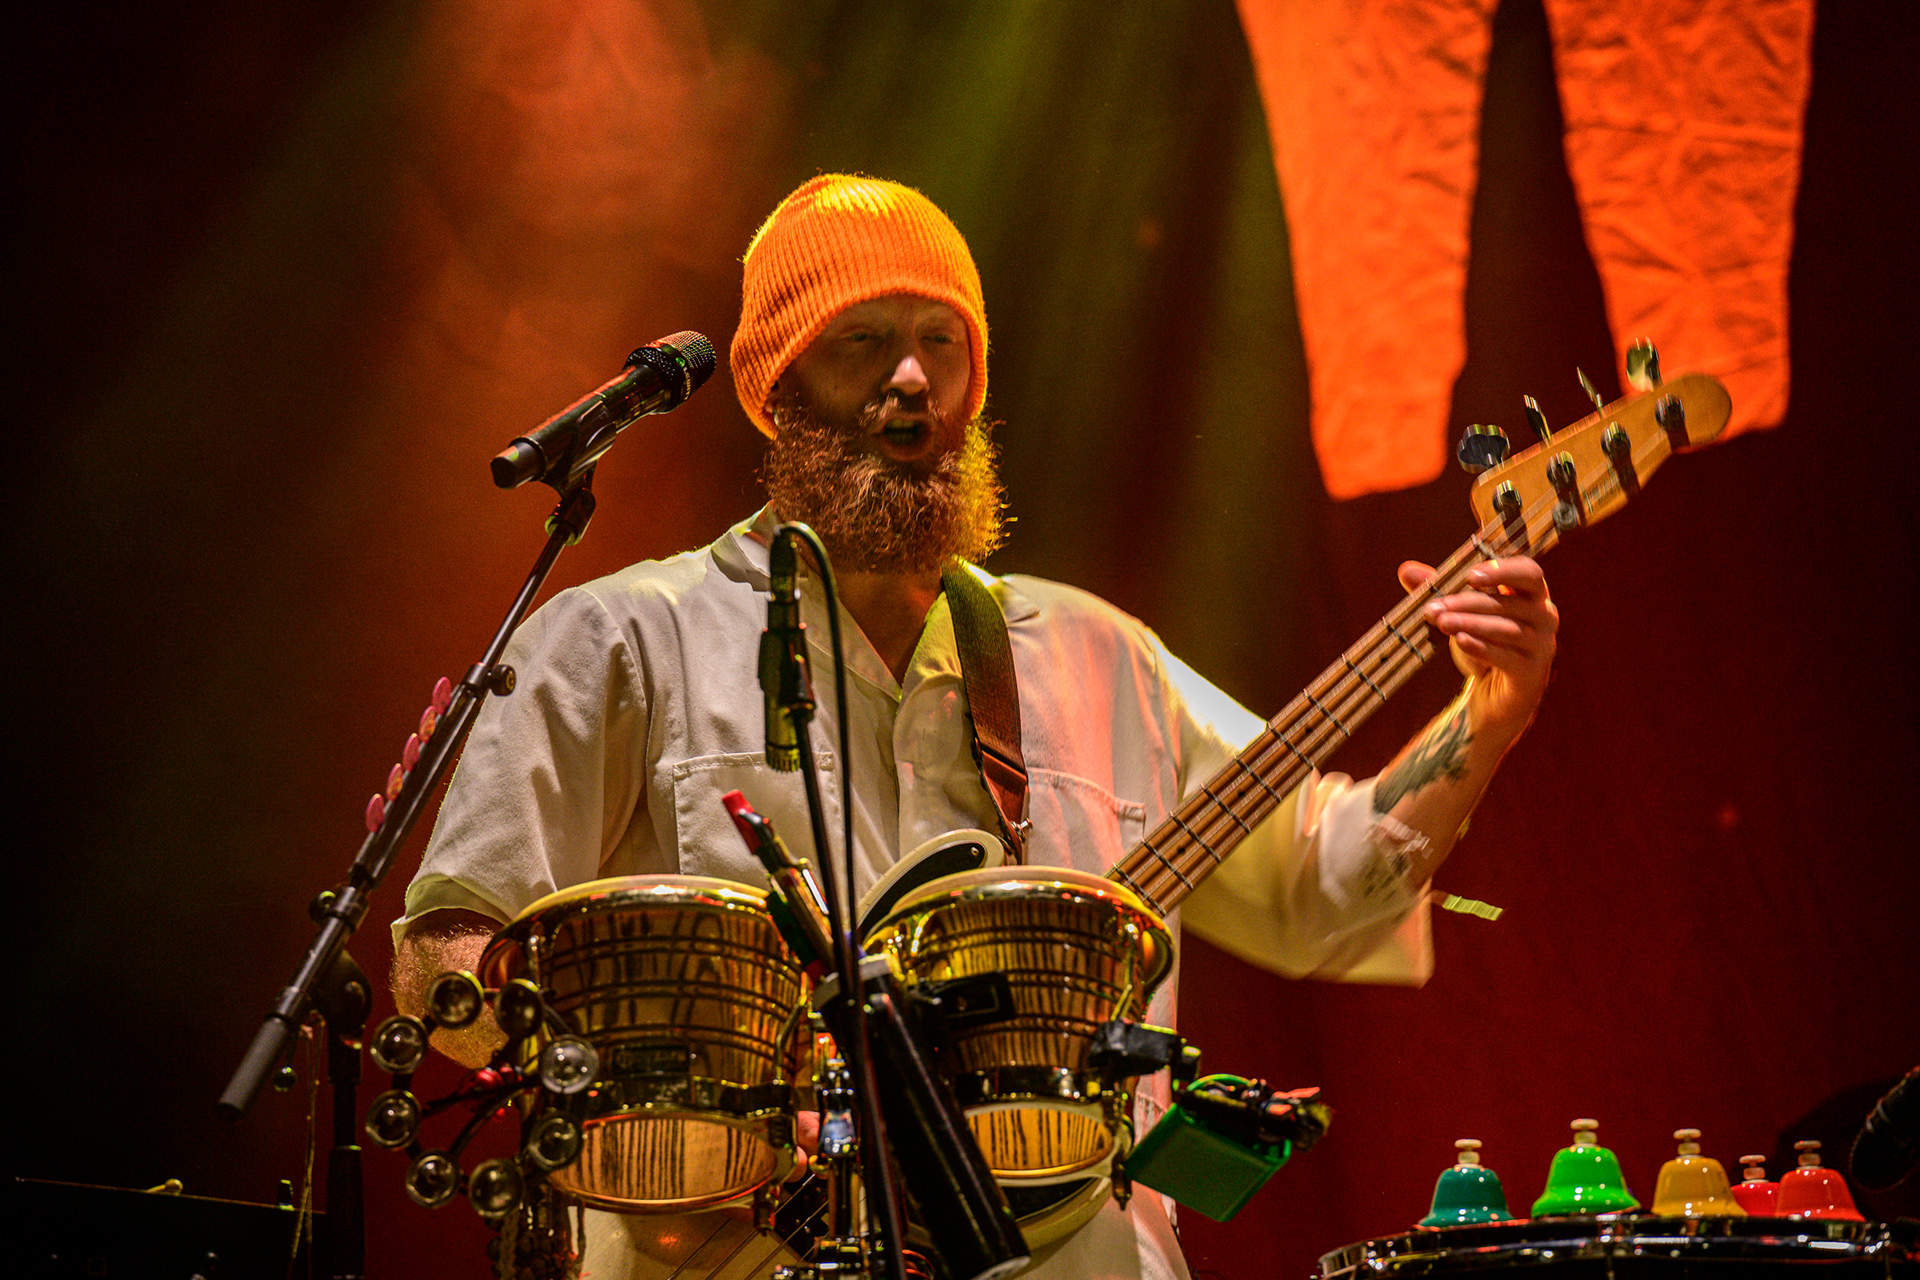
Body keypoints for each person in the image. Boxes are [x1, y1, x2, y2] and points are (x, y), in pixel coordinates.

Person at [390, 174, 1558, 1279]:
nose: (910, 377)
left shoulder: (1100, 655)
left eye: (939, 341)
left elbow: (1325, 881)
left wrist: (1490, 714)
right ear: (777, 388)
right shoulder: (621, 637)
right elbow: (443, 953)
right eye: (861, 339)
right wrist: (667, 1093)